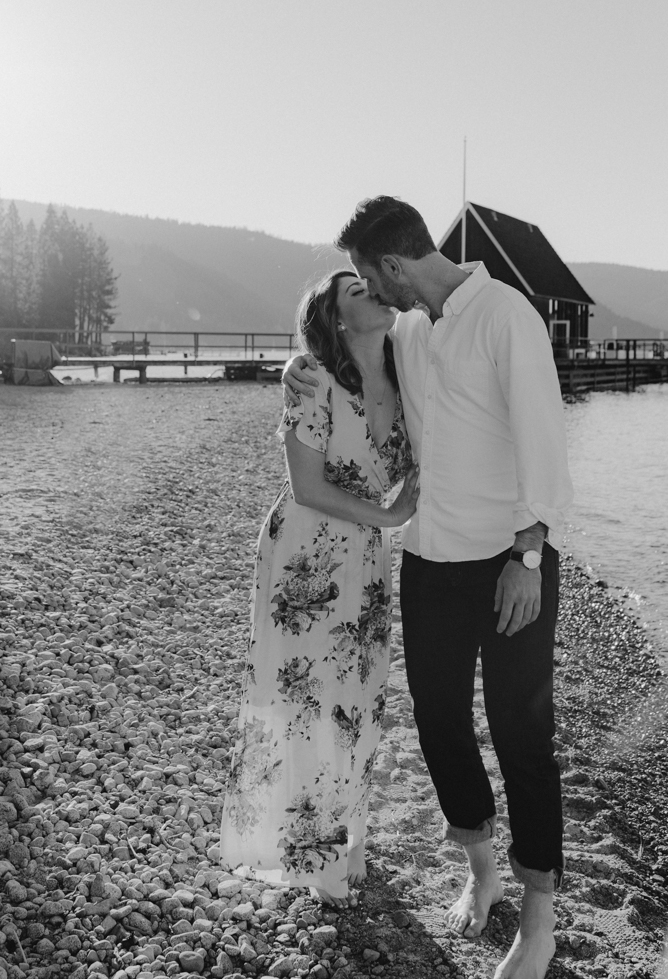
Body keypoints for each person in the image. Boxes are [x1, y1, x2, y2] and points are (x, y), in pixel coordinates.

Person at [283, 196, 573, 979]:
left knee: (520, 735)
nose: (377, 294)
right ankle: (482, 874)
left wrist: (530, 555)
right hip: (430, 559)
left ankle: (539, 917)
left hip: (509, 560)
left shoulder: (506, 315)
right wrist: (300, 366)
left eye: (374, 278)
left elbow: (543, 436)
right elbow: (358, 379)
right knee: (441, 721)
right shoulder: (408, 329)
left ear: (394, 265)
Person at [219, 269, 418, 906]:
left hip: (363, 557)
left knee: (357, 697)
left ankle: (346, 837)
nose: (376, 292)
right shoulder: (312, 379)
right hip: (307, 551)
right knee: (307, 700)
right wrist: (391, 516)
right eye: (357, 292)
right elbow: (307, 486)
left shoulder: (408, 372)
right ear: (335, 319)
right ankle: (308, 853)